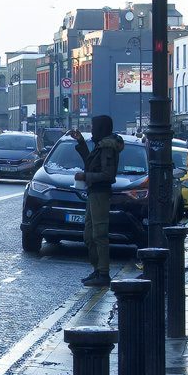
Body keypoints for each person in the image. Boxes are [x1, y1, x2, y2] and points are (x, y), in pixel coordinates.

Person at [69, 116, 123, 287]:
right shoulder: (101, 145)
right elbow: (90, 162)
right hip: (93, 192)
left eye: (94, 126)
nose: (92, 129)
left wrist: (85, 176)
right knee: (88, 234)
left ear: (101, 128)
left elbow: (108, 175)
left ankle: (103, 273)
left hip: (100, 193)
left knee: (99, 234)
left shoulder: (107, 147)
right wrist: (81, 142)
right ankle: (98, 269)